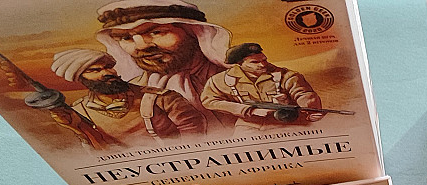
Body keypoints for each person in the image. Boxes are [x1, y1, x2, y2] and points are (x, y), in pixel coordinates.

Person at [94, 0, 231, 127]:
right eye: (126, 38)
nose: (141, 46)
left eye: (156, 32)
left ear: (193, 32)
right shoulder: (133, 94)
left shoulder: (233, 79)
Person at [48, 49, 205, 145]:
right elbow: (95, 149)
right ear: (81, 78)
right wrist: (75, 127)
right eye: (94, 70)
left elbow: (193, 129)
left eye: (108, 67)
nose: (107, 73)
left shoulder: (160, 97)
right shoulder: (79, 111)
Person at [200, 43, 324, 128]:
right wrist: (248, 110)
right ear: (239, 63)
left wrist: (311, 109)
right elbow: (209, 101)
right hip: (248, 126)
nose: (262, 65)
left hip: (288, 124)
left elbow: (304, 94)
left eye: (264, 60)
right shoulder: (221, 80)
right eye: (255, 62)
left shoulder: (286, 76)